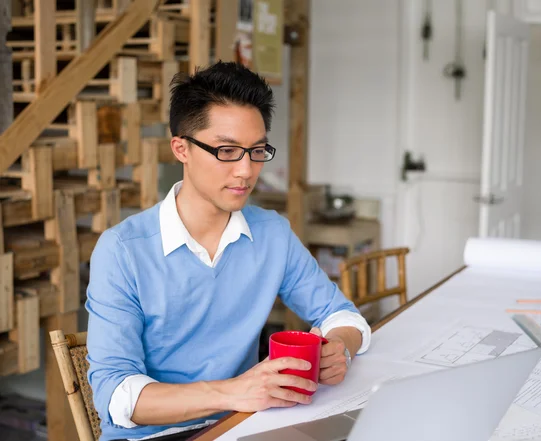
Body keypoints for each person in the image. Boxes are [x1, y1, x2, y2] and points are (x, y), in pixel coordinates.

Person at [86, 61, 371, 441]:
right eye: (227, 151)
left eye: (256, 151)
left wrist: (340, 348)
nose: (246, 171)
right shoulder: (122, 250)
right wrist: (234, 391)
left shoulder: (272, 233)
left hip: (245, 426)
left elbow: (343, 316)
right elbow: (117, 398)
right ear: (181, 148)